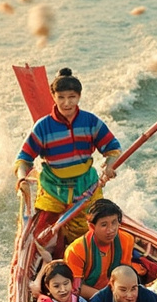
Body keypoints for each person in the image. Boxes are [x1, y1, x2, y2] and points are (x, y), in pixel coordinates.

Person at [14, 68, 121, 247]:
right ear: (53, 97)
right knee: (44, 238)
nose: (66, 103)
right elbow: (23, 159)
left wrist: (110, 165)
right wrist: (22, 179)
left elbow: (113, 148)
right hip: (53, 189)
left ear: (79, 97)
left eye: (71, 97)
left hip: (86, 186)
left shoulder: (91, 122)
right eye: (61, 97)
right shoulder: (42, 127)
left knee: (92, 234)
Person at [62, 198, 145, 299]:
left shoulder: (126, 240)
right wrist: (106, 298)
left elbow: (124, 273)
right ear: (92, 227)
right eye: (104, 225)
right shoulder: (76, 250)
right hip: (90, 297)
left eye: (114, 222)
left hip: (119, 292)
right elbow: (76, 287)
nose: (111, 230)